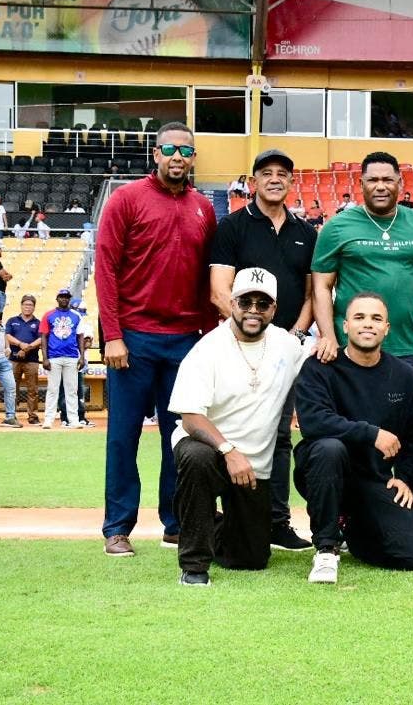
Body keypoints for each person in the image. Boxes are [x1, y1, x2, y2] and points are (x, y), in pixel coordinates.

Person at [96, 121, 216, 557]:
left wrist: (208, 336)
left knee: (181, 438)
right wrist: (112, 335)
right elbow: (105, 269)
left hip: (184, 341)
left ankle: (176, 522)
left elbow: (206, 280)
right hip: (132, 339)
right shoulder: (125, 200)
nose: (178, 157)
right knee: (123, 437)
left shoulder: (204, 207)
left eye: (187, 151)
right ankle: (117, 528)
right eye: (170, 149)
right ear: (156, 153)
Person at [168, 268, 308, 586]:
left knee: (249, 558)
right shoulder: (207, 349)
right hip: (211, 449)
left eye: (263, 303)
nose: (253, 310)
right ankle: (194, 565)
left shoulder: (287, 346)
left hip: (254, 465)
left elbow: (316, 370)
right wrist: (228, 450)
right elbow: (190, 417)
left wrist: (326, 346)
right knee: (197, 459)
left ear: (274, 308)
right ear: (232, 303)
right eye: (246, 302)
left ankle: (201, 517)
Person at [209, 149, 318, 552]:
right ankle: (232, 516)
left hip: (286, 350)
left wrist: (291, 337)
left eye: (283, 174)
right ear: (253, 180)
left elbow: (312, 293)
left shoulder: (306, 232)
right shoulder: (233, 226)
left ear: (292, 182)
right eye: (266, 173)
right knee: (237, 429)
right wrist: (256, 330)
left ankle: (277, 522)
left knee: (280, 437)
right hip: (242, 347)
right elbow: (220, 291)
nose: (275, 179)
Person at [294, 292, 413, 583]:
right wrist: (371, 434)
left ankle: (353, 529)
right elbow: (314, 422)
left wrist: (406, 477)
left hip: (374, 480)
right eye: (359, 317)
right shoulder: (320, 367)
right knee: (329, 448)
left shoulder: (404, 376)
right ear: (345, 326)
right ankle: (326, 548)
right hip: (322, 473)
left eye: (376, 318)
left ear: (387, 328)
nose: (367, 324)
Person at [312, 151, 413, 369]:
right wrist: (329, 336)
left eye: (387, 180)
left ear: (399, 182)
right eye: (373, 180)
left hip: (408, 347)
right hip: (350, 347)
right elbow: (321, 287)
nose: (380, 186)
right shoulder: (336, 227)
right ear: (361, 183)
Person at [40, 288, 85, 429]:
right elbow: (43, 337)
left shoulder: (76, 315)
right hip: (54, 357)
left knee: (71, 390)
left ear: (69, 299)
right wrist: (45, 358)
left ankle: (74, 420)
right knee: (52, 389)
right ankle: (48, 419)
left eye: (66, 297)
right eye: (62, 297)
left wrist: (82, 356)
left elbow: (80, 337)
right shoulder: (48, 315)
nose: (64, 299)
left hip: (71, 356)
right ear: (57, 298)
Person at [5, 294, 41, 424]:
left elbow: (41, 339)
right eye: (25, 304)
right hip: (13, 360)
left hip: (32, 360)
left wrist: (27, 348)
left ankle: (33, 416)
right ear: (21, 305)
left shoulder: (38, 323)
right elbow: (7, 336)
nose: (28, 307)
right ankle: (11, 415)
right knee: (12, 388)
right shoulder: (12, 320)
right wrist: (20, 344)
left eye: (30, 305)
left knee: (33, 390)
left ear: (34, 307)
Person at [0, 295, 18, 428]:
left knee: (11, 386)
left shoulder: (0, 318)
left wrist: (7, 347)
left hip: (2, 359)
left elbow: (3, 333)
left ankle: (10, 417)